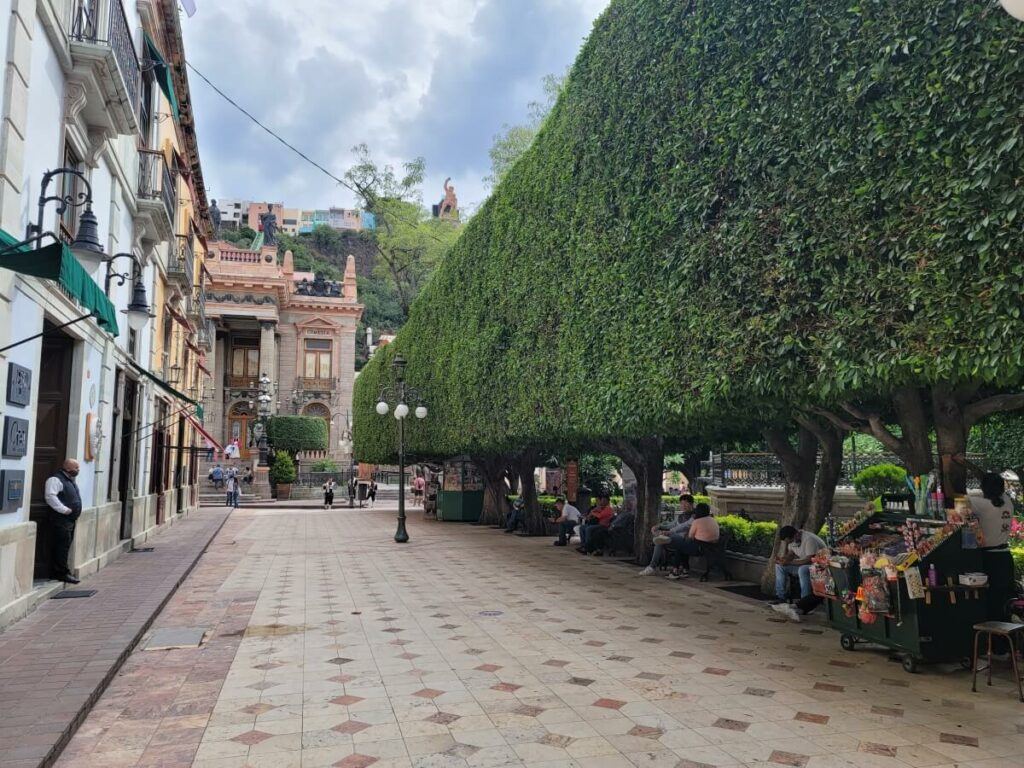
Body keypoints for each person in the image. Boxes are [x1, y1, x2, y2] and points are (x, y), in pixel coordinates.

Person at [770, 525, 827, 620]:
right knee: (779, 566)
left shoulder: (809, 540)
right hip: (803, 565)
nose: (789, 543)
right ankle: (781, 597)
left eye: (789, 541)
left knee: (803, 569)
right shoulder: (792, 541)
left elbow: (810, 560)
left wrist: (790, 562)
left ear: (795, 535)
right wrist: (783, 560)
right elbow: (790, 555)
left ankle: (805, 603)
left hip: (818, 568)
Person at [44, 459, 83, 584]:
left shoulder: (69, 480)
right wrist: (64, 510)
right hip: (61, 519)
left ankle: (62, 571)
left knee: (65, 545)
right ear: (67, 467)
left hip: (70, 520)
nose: (78, 470)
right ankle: (60, 573)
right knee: (61, 547)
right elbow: (50, 496)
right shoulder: (55, 479)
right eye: (76, 468)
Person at [638, 494, 695, 576]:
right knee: (660, 542)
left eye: (686, 503)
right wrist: (659, 526)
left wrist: (669, 532)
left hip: (684, 539)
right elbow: (670, 525)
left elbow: (684, 526)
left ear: (691, 504)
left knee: (661, 540)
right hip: (674, 538)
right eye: (681, 503)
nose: (683, 506)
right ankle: (651, 566)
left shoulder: (694, 516)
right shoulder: (680, 516)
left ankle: (652, 566)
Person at [666, 503, 720, 579]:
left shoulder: (697, 521)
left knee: (680, 547)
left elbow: (690, 536)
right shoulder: (713, 520)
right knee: (684, 546)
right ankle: (684, 569)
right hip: (712, 548)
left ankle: (675, 570)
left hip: (699, 549)